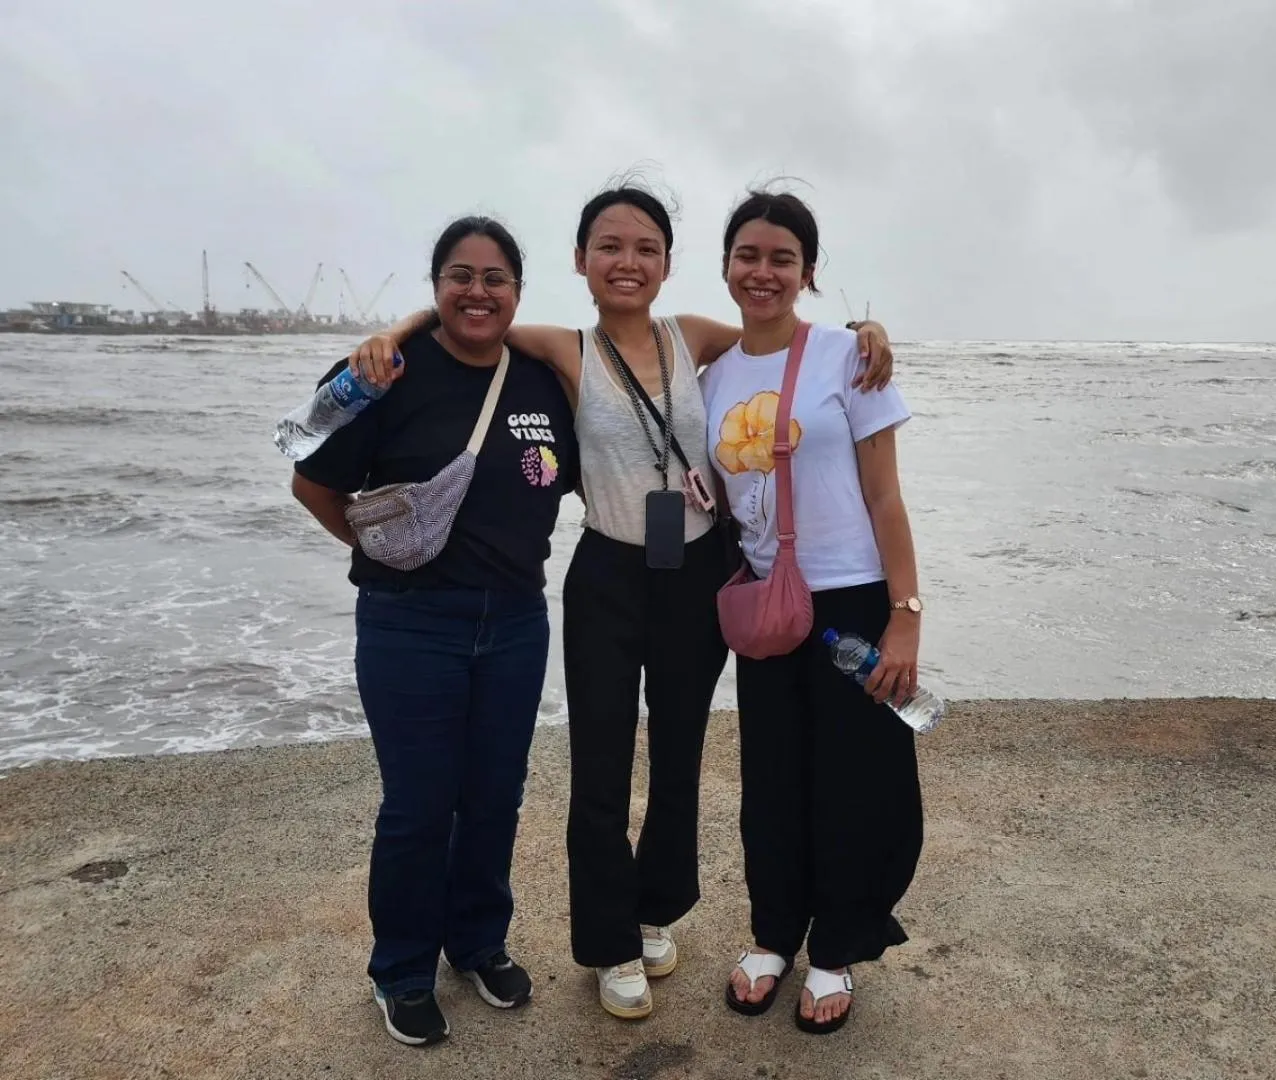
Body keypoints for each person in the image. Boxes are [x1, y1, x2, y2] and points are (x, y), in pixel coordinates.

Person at [348, 185, 895, 1020]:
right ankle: (607, 945)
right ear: (580, 261)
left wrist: (865, 332)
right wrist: (391, 332)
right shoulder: (564, 349)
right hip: (606, 573)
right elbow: (470, 315)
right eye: (609, 246)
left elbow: (783, 342)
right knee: (600, 767)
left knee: (678, 759)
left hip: (697, 569)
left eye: (646, 248)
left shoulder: (696, 338)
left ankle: (652, 913)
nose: (627, 262)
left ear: (670, 265)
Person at [290, 216, 578, 1046]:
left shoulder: (541, 381)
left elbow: (639, 389)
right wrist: (386, 557)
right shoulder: (388, 375)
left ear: (518, 291)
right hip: (410, 625)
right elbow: (312, 483)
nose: (478, 290)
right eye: (460, 275)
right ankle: (403, 969)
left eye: (495, 277)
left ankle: (478, 941)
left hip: (518, 621)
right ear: (435, 286)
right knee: (419, 808)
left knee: (495, 796)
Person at [700, 191, 925, 1035]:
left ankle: (835, 946)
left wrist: (905, 614)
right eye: (748, 255)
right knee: (773, 777)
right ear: (726, 265)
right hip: (768, 608)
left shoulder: (848, 359)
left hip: (854, 600)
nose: (763, 272)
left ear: (808, 273)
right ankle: (772, 933)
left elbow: (886, 495)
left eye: (782, 258)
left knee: (858, 780)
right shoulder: (711, 376)